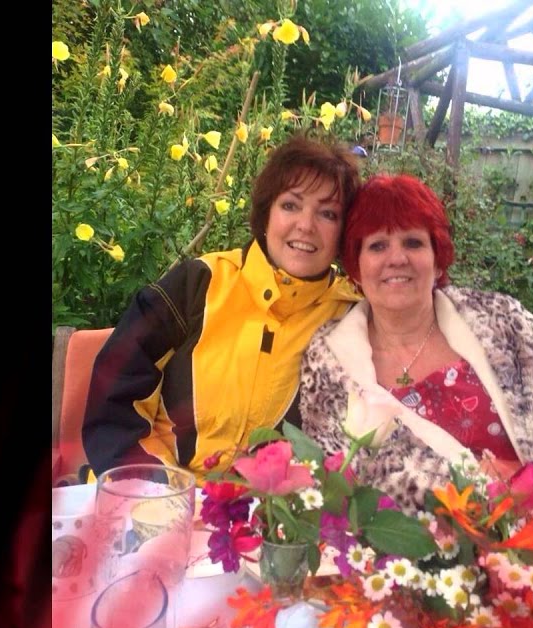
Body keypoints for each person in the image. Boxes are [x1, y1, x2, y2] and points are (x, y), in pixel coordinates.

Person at [298, 173, 533, 514]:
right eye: (377, 246)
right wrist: (485, 493)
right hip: (415, 544)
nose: (397, 258)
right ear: (356, 268)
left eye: (413, 243)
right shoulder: (329, 361)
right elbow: (335, 488)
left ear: (438, 260)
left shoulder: (504, 320)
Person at [82, 134, 362, 480]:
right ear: (266, 213)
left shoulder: (351, 320)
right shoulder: (198, 284)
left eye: (327, 213)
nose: (306, 225)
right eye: (291, 205)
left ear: (344, 232)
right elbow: (114, 398)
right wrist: (160, 490)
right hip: (157, 490)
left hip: (272, 507)